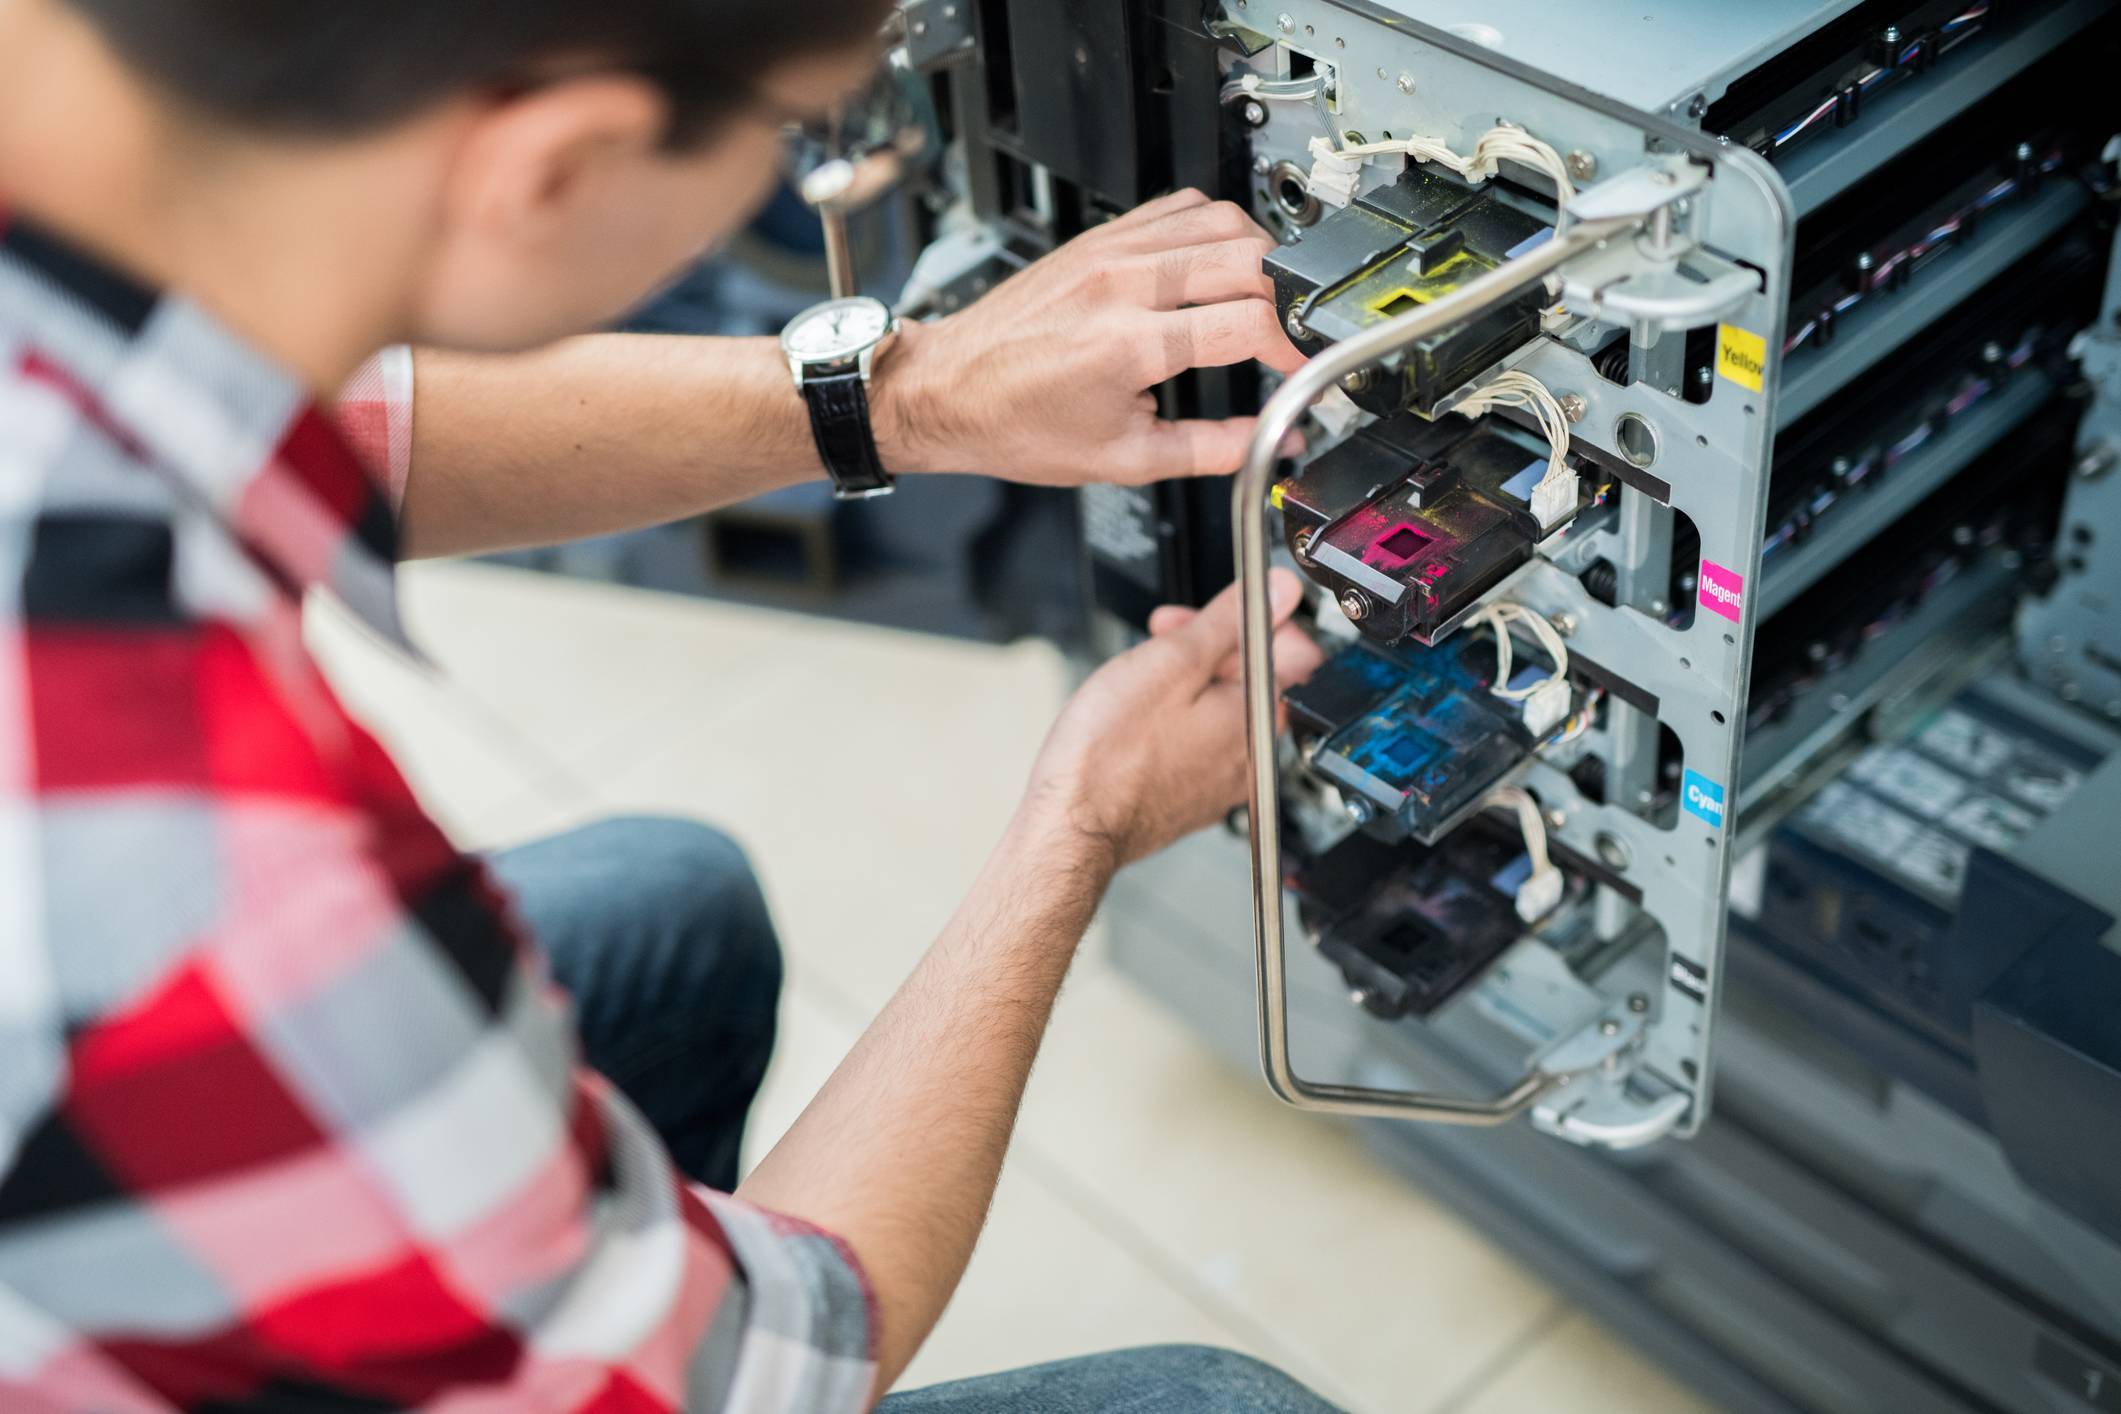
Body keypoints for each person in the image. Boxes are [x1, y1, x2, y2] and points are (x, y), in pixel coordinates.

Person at [0, 0, 1341, 1410]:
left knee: (670, 915)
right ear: (556, 165)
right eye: (796, 130)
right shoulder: (228, 891)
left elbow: (352, 416)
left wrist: (914, 391)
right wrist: (1077, 824)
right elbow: (754, 1359)